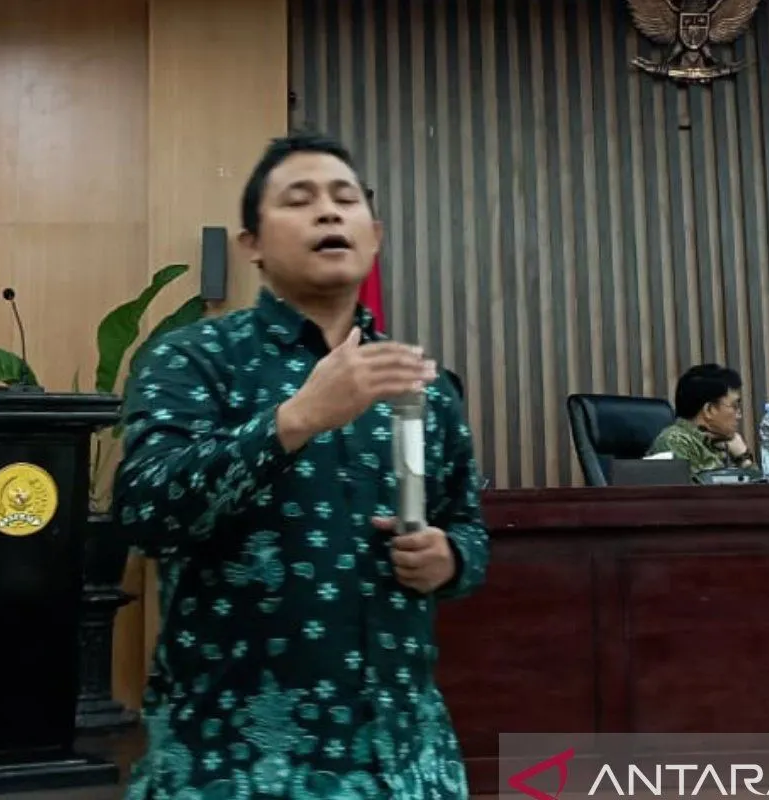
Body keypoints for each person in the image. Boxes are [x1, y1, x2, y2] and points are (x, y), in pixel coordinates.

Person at [110, 131, 489, 799]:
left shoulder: (418, 383)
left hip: (405, 762)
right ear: (251, 243)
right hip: (234, 764)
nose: (328, 211)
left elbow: (468, 525)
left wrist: (450, 559)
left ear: (374, 236)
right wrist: (295, 420)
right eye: (299, 199)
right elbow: (144, 513)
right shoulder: (195, 360)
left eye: (345, 198)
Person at [646, 363, 757, 478]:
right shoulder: (674, 441)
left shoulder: (723, 443)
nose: (739, 415)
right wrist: (742, 459)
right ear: (709, 409)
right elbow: (699, 487)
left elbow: (760, 487)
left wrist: (743, 456)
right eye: (734, 406)